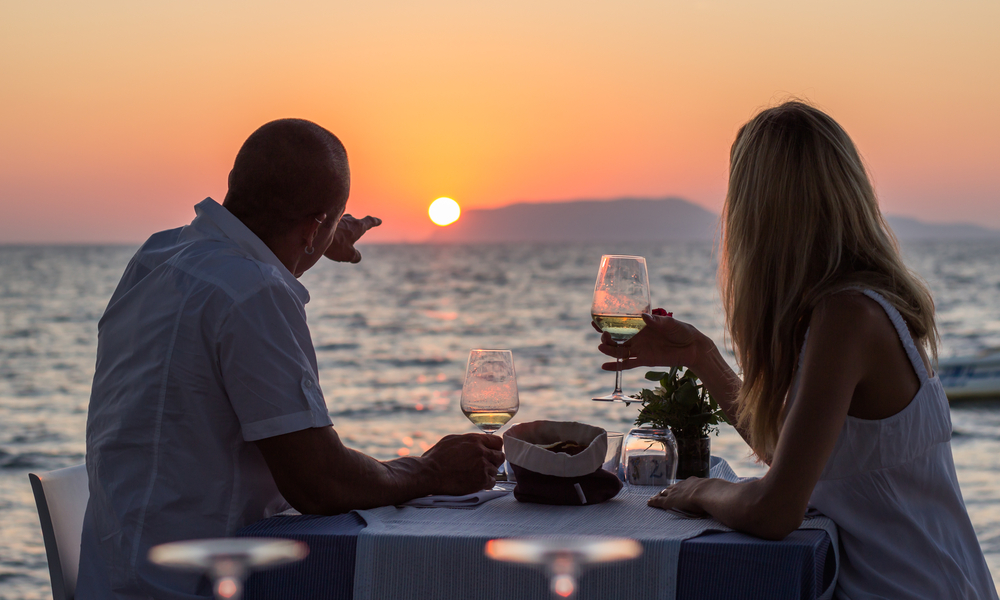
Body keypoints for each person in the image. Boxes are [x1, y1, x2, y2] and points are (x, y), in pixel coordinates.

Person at [77, 118, 504, 600]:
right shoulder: (254, 293)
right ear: (312, 226)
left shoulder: (158, 256)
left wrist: (316, 235)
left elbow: (248, 268)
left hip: (115, 579)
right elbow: (318, 483)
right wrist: (429, 471)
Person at [600, 102, 998, 598]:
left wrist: (702, 490)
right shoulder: (858, 307)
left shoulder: (847, 318)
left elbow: (774, 511)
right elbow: (793, 456)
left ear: (760, 214)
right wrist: (700, 356)